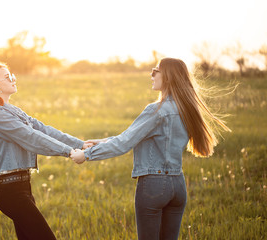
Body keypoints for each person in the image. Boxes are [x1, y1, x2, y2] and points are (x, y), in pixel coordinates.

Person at [70, 57, 231, 240]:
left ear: (168, 76)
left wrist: (86, 155)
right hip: (178, 185)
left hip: (154, 186)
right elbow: (130, 137)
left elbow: (124, 143)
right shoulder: (186, 108)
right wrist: (99, 142)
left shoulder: (157, 110)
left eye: (155, 70)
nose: (151, 75)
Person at [0, 63, 92, 240]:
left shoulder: (12, 110)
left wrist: (81, 144)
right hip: (11, 192)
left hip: (23, 188)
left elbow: (43, 130)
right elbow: (31, 137)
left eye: (12, 75)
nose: (13, 79)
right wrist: (69, 152)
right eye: (7, 77)